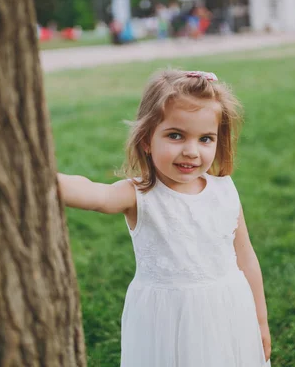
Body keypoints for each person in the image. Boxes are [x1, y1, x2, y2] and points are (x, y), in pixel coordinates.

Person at [58, 70, 272, 367]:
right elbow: (95, 194)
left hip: (228, 311)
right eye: (175, 135)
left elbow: (245, 256)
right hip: (165, 321)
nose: (191, 151)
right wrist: (42, 177)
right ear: (147, 139)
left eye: (205, 139)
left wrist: (259, 321)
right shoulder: (140, 194)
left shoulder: (224, 190)